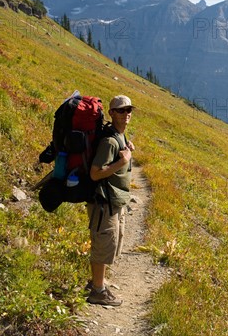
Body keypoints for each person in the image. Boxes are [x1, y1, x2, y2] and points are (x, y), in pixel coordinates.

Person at [86, 95, 135, 306]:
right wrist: (122, 161)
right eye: (121, 110)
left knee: (110, 244)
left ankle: (98, 281)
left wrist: (126, 151)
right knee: (104, 244)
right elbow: (95, 174)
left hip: (115, 201)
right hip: (103, 202)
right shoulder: (109, 141)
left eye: (129, 110)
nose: (126, 114)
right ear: (112, 112)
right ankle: (98, 291)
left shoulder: (119, 137)